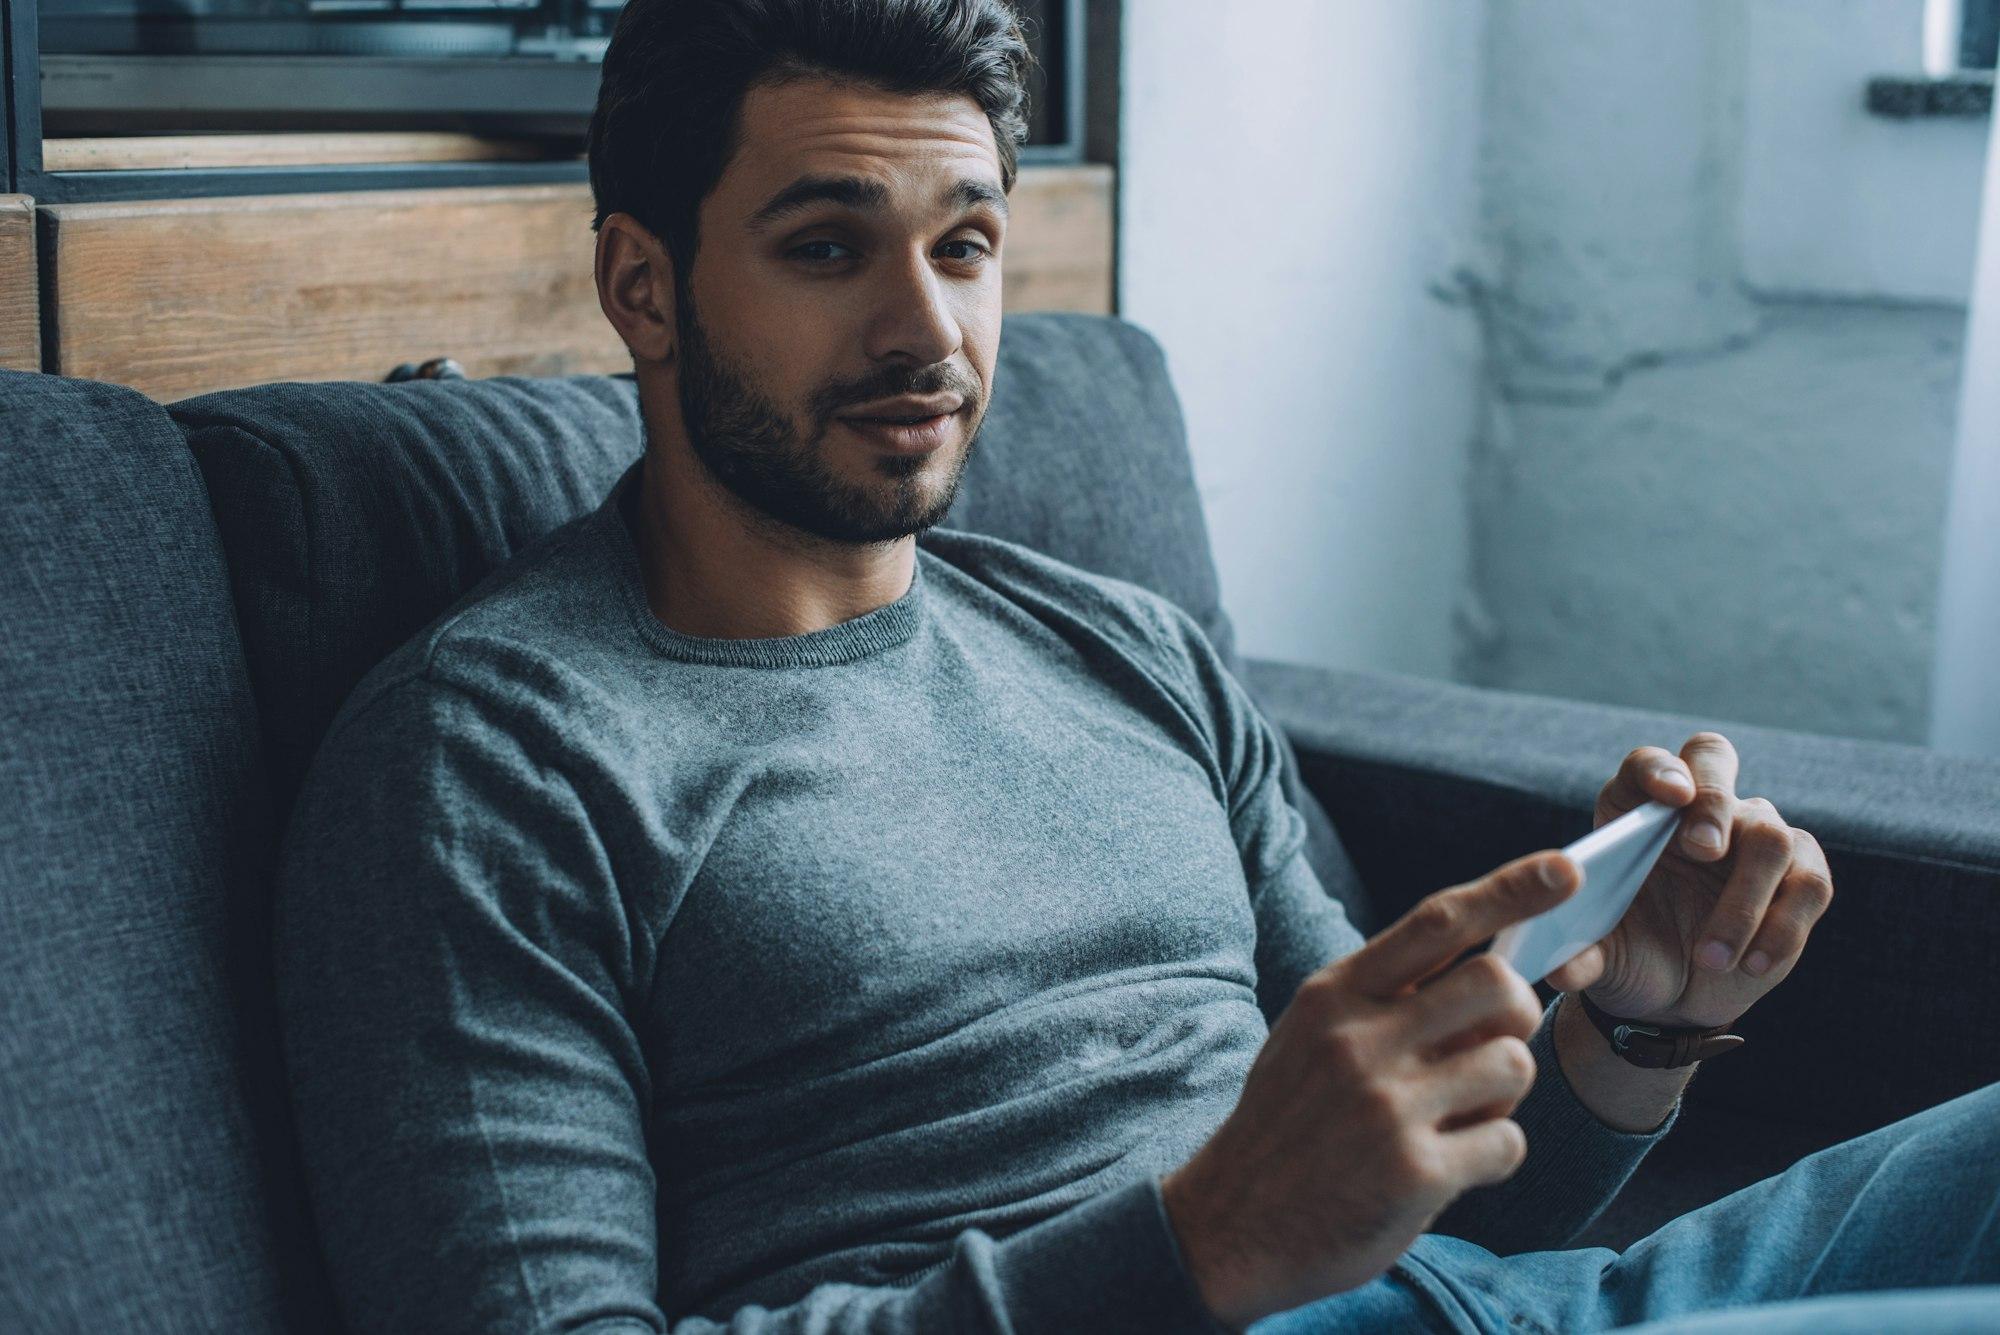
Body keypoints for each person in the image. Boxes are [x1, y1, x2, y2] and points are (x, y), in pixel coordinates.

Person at [270, 2, 2000, 1331]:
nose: (926, 331)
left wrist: (1634, 1028)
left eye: (963, 243)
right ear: (641, 288)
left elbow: (1415, 1200)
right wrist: (1198, 1244)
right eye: (825, 245)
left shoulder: (1120, 646)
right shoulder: (491, 757)